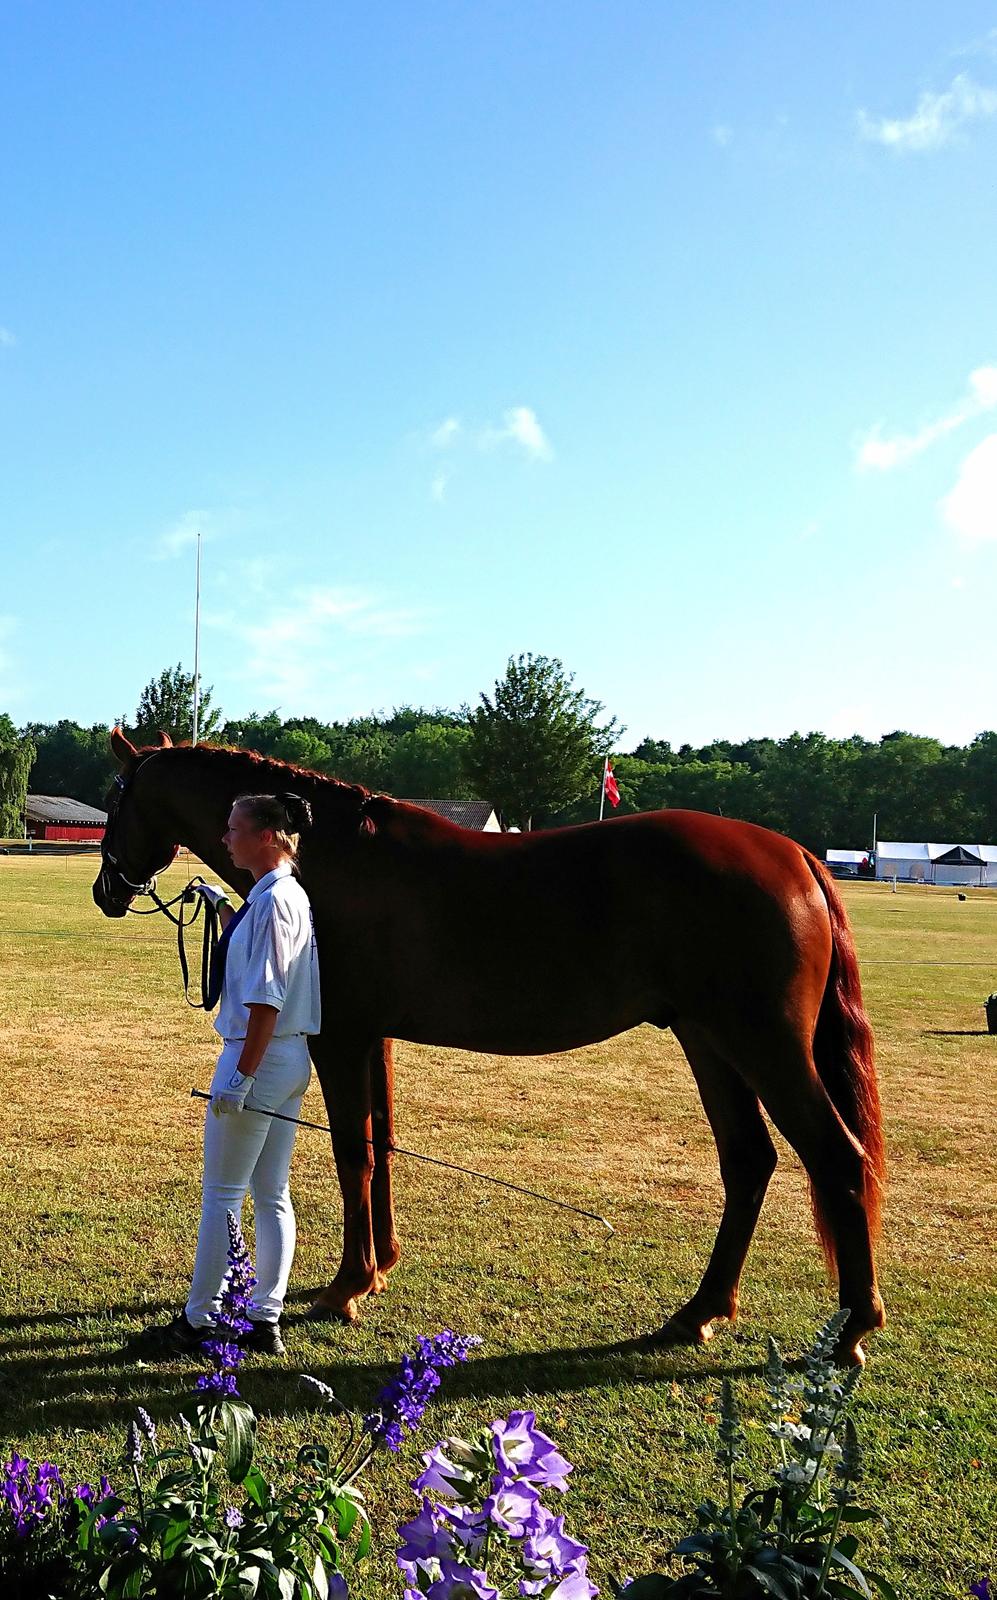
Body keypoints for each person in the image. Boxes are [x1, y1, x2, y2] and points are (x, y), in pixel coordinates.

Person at [161, 791, 321, 1357]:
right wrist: (222, 908)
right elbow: (256, 952)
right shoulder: (274, 896)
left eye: (234, 828)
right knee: (270, 1191)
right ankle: (265, 1317)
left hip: (261, 1053)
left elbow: (266, 1000)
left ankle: (201, 1319)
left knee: (223, 1194)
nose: (225, 838)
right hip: (286, 1057)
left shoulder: (277, 900)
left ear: (269, 835)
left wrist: (241, 1077)